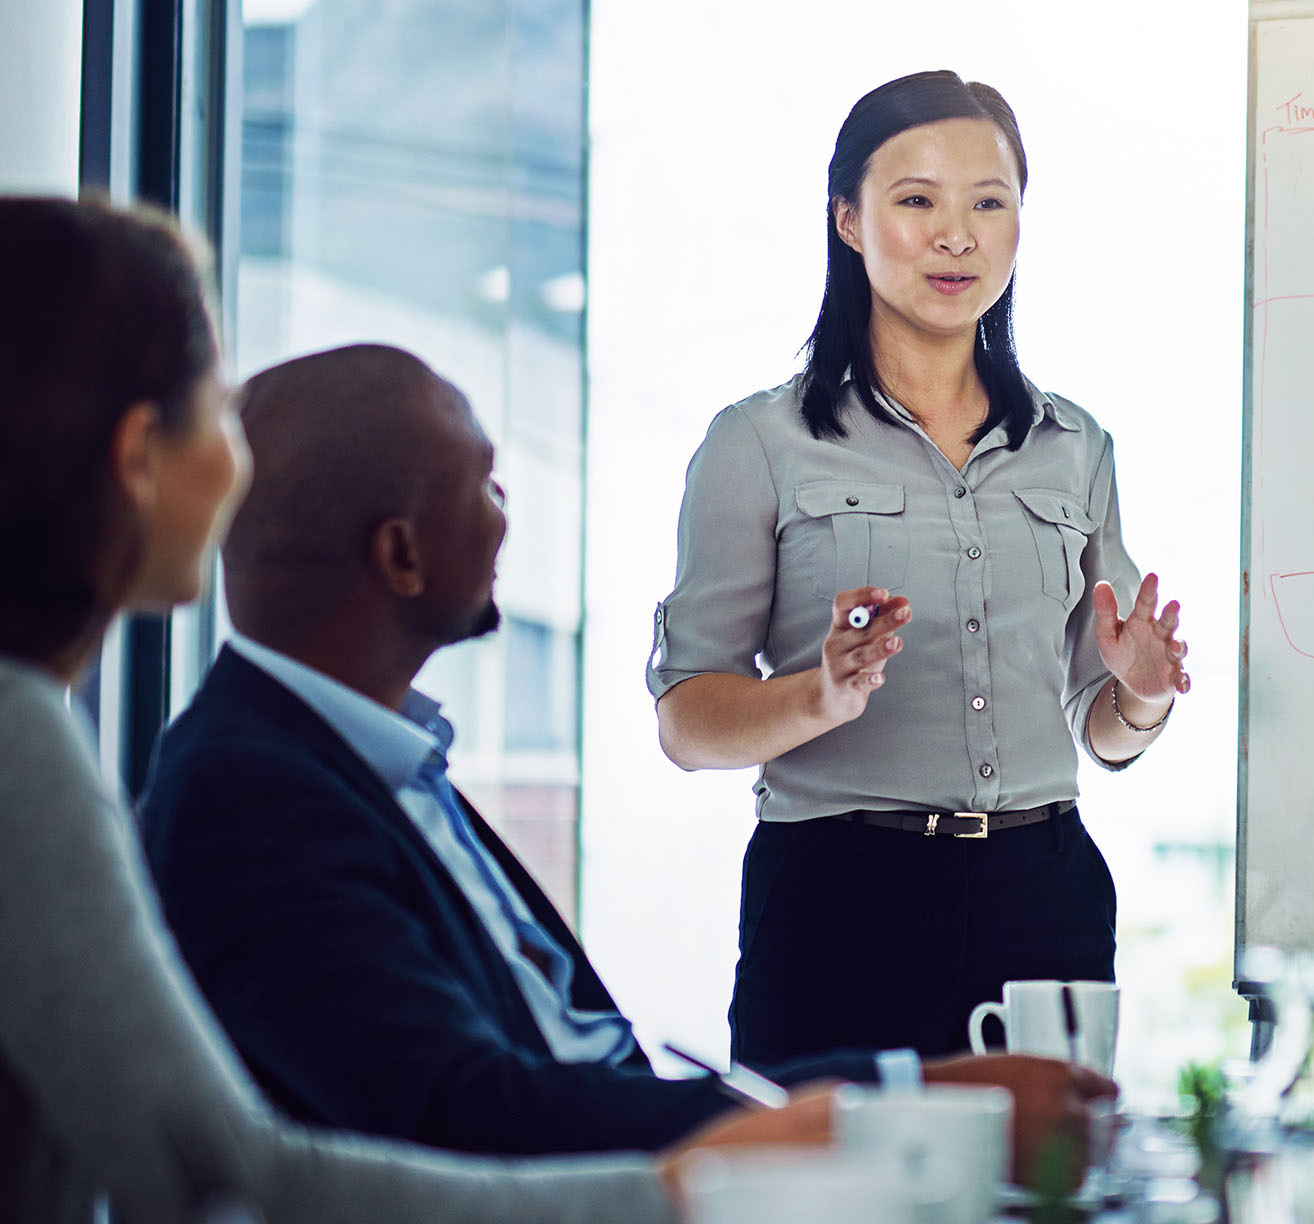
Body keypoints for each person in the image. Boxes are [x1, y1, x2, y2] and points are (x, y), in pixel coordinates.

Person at [0, 195, 834, 1224]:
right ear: (137, 457)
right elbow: (220, 1178)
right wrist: (687, 1190)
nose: (243, 462)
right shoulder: (27, 747)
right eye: (215, 407)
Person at [136, 343, 1114, 1174]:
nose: (508, 505)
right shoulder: (252, 796)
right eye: (482, 479)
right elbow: (470, 1119)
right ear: (400, 556)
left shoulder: (376, 767)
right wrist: (902, 1103)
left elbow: (559, 1059)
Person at [649, 69, 1192, 1067]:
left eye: (990, 203)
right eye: (917, 201)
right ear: (848, 221)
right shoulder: (758, 443)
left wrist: (1142, 694)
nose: (957, 235)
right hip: (840, 898)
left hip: (1047, 895)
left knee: (1051, 1194)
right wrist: (821, 695)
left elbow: (1101, 732)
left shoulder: (1077, 447)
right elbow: (686, 721)